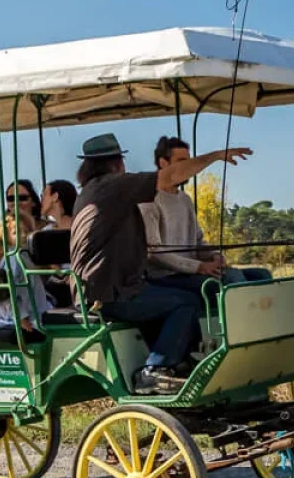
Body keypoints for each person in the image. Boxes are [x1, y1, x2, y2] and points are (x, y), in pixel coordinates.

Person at [69, 133, 205, 394]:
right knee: (186, 302)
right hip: (107, 293)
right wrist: (215, 157)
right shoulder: (112, 186)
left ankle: (177, 362)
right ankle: (153, 371)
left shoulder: (94, 190)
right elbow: (169, 178)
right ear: (118, 163)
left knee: (178, 296)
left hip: (113, 286)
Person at [142, 136, 266, 289]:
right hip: (167, 276)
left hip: (193, 272)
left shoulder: (184, 199)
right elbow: (155, 253)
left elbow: (198, 240)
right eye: (182, 162)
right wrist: (200, 267)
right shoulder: (149, 200)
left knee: (262, 275)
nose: (188, 168)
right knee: (232, 279)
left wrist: (214, 255)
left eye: (190, 162)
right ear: (163, 163)